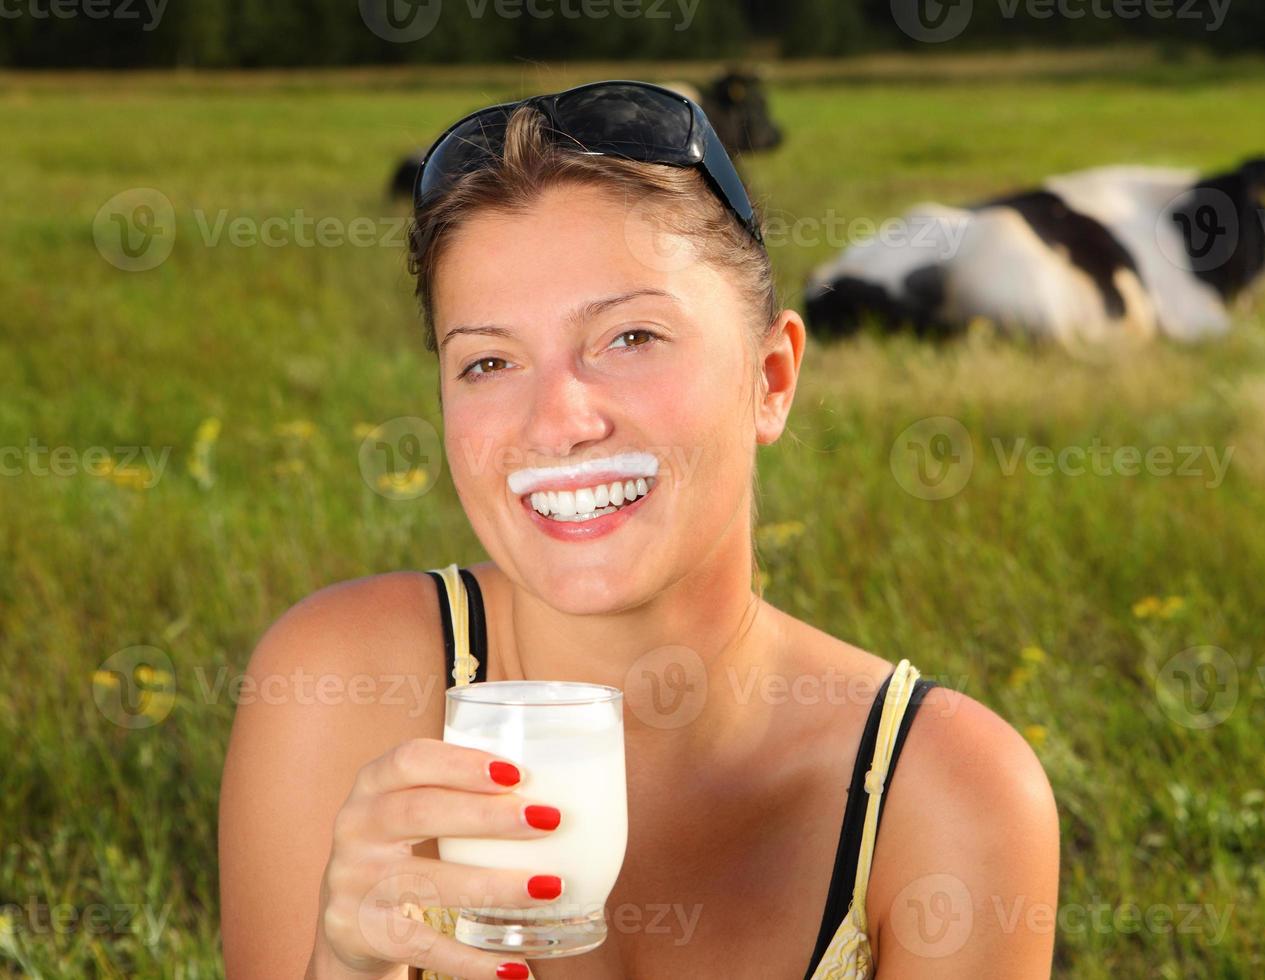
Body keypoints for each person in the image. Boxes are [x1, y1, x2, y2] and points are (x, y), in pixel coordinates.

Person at [218, 80, 1059, 980]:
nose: (558, 420)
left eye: (630, 338)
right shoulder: (336, 691)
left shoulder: (945, 798)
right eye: (489, 360)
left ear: (771, 379)